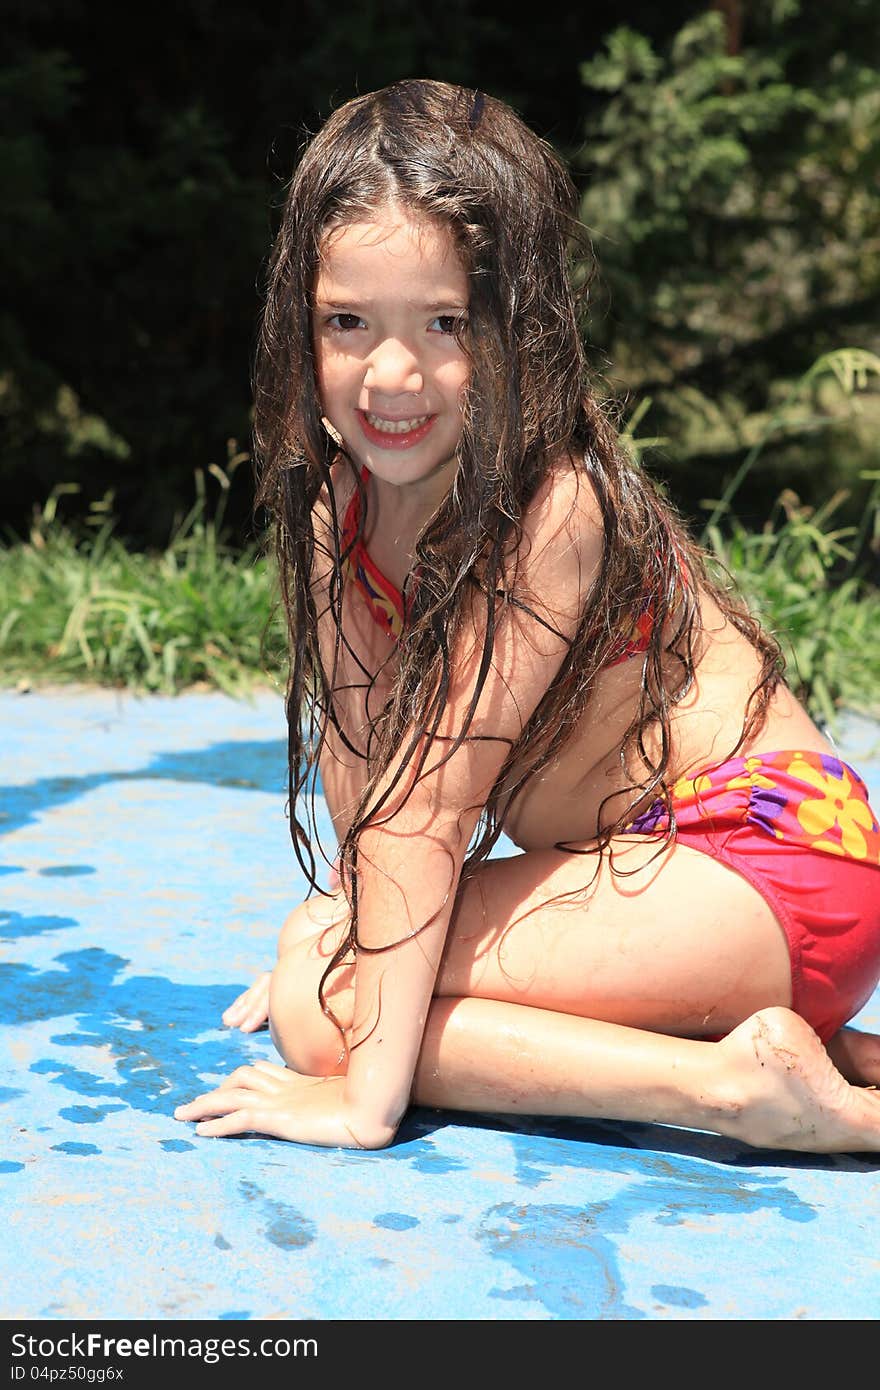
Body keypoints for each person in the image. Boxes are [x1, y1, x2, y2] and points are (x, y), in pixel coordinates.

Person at [174, 79, 880, 1153]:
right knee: (335, 967)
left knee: (327, 1013)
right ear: (297, 319)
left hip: (766, 861)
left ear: (522, 325)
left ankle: (735, 1089)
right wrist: (350, 926)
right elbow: (374, 798)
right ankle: (791, 1050)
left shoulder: (553, 508)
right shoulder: (341, 520)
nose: (392, 374)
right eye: (348, 322)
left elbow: (428, 816)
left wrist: (364, 1094)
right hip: (654, 886)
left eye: (447, 322)